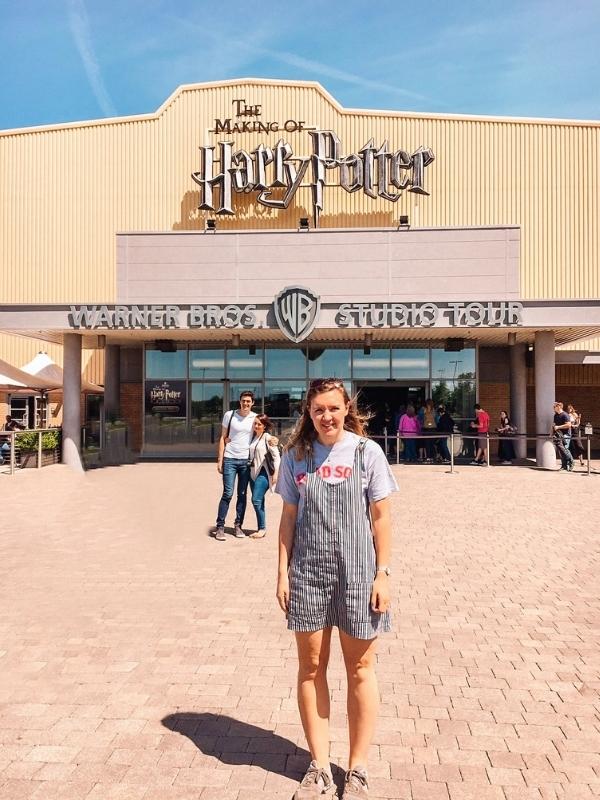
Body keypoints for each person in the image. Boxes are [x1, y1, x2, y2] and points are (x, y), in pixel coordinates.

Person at [275, 378, 397, 800]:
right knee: (310, 669)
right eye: (317, 410)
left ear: (347, 408)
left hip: (359, 575)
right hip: (308, 574)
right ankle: (320, 767)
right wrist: (281, 573)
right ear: (308, 415)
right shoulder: (296, 457)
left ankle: (358, 768)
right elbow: (288, 518)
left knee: (361, 669)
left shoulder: (368, 453)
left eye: (333, 408)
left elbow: (381, 517)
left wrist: (383, 573)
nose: (326, 416)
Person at [214, 391, 257, 541]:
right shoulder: (230, 415)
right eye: (243, 401)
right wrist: (220, 459)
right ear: (239, 401)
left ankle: (238, 525)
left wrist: (271, 440)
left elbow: (262, 433)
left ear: (252, 403)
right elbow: (222, 437)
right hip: (230, 459)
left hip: (246, 461)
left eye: (248, 401)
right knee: (228, 493)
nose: (246, 403)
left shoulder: (254, 418)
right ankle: (220, 526)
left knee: (243, 494)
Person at [248, 414, 281, 539]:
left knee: (256, 500)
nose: (256, 426)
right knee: (259, 500)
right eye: (255, 423)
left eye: (259, 424)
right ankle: (261, 527)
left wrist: (276, 474)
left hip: (264, 472)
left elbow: (277, 457)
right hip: (252, 473)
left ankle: (262, 529)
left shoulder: (268, 438)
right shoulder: (251, 437)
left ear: (265, 426)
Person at [551, 401, 574, 472]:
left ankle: (571, 462)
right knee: (561, 451)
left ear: (558, 407)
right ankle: (564, 466)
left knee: (565, 449)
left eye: (554, 407)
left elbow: (569, 425)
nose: (553, 408)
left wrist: (558, 427)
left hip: (566, 434)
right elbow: (554, 425)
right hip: (558, 435)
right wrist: (551, 433)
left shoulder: (565, 415)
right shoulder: (555, 415)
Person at [419, 398, 438, 463]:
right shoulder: (434, 410)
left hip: (426, 428)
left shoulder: (423, 409)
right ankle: (431, 457)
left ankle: (428, 457)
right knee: (431, 443)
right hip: (433, 428)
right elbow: (437, 420)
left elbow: (419, 418)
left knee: (427, 444)